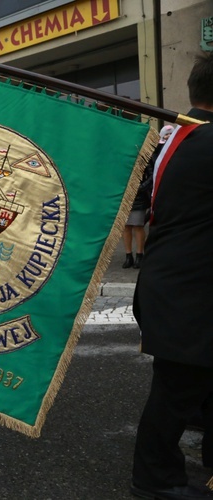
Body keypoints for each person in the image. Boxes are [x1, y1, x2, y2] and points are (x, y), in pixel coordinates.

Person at [132, 53, 213, 499]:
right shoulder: (203, 140)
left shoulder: (180, 133)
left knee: (196, 386)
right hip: (188, 293)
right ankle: (155, 479)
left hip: (176, 283)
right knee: (176, 392)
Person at [121, 125, 175, 269]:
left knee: (138, 226)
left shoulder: (144, 155)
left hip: (138, 196)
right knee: (125, 227)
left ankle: (140, 254)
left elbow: (151, 175)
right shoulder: (120, 157)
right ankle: (128, 256)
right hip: (124, 197)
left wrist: (140, 188)